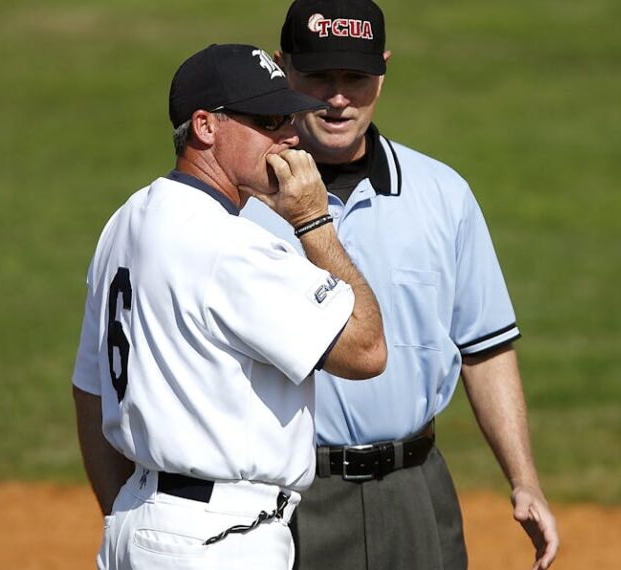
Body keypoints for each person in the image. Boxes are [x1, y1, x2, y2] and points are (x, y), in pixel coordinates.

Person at [240, 2, 559, 569]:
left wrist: (524, 478)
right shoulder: (241, 205)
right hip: (285, 498)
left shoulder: (442, 193)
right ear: (282, 67)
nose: (338, 98)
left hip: (415, 492)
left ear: (382, 72)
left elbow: (484, 347)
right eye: (319, 76)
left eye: (356, 78)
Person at [71, 43, 387, 570]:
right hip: (220, 539)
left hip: (139, 523)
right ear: (205, 127)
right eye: (268, 121)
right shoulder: (231, 247)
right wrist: (313, 221)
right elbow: (367, 349)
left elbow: (89, 388)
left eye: (289, 118)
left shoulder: (126, 220)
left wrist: (133, 517)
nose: (291, 136)